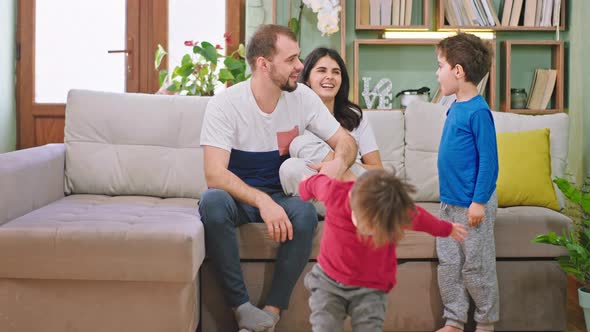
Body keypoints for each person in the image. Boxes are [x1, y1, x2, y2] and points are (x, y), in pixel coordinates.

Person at [198, 24, 358, 332]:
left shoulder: (303, 98)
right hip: (239, 197)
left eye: (298, 58)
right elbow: (214, 174)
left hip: (283, 192)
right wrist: (262, 201)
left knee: (305, 213)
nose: (300, 66)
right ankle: (242, 308)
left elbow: (347, 142)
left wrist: (338, 166)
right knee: (212, 202)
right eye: (291, 59)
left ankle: (271, 312)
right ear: (263, 64)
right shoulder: (225, 104)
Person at [298, 169, 467, 331]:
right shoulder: (335, 193)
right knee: (325, 325)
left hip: (370, 287)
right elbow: (315, 183)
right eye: (367, 224)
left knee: (369, 326)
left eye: (376, 227)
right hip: (329, 280)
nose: (370, 231)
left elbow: (422, 219)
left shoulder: (395, 211)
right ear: (352, 199)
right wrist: (304, 187)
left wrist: (448, 229)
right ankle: (315, 283)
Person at [434, 33, 499, 332]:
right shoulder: (455, 105)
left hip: (472, 204)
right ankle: (455, 320)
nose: (437, 73)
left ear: (458, 71)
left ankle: (485, 321)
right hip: (449, 202)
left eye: (440, 66)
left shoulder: (479, 112)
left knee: (476, 266)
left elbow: (489, 162)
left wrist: (478, 202)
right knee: (449, 266)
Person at [280, 47, 382, 195]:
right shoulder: (295, 114)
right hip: (319, 185)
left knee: (300, 143)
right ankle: (351, 202)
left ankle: (351, 195)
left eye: (336, 72)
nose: (330, 76)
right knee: (290, 168)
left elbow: (377, 169)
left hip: (358, 179)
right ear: (307, 78)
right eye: (322, 70)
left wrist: (340, 165)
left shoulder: (355, 116)